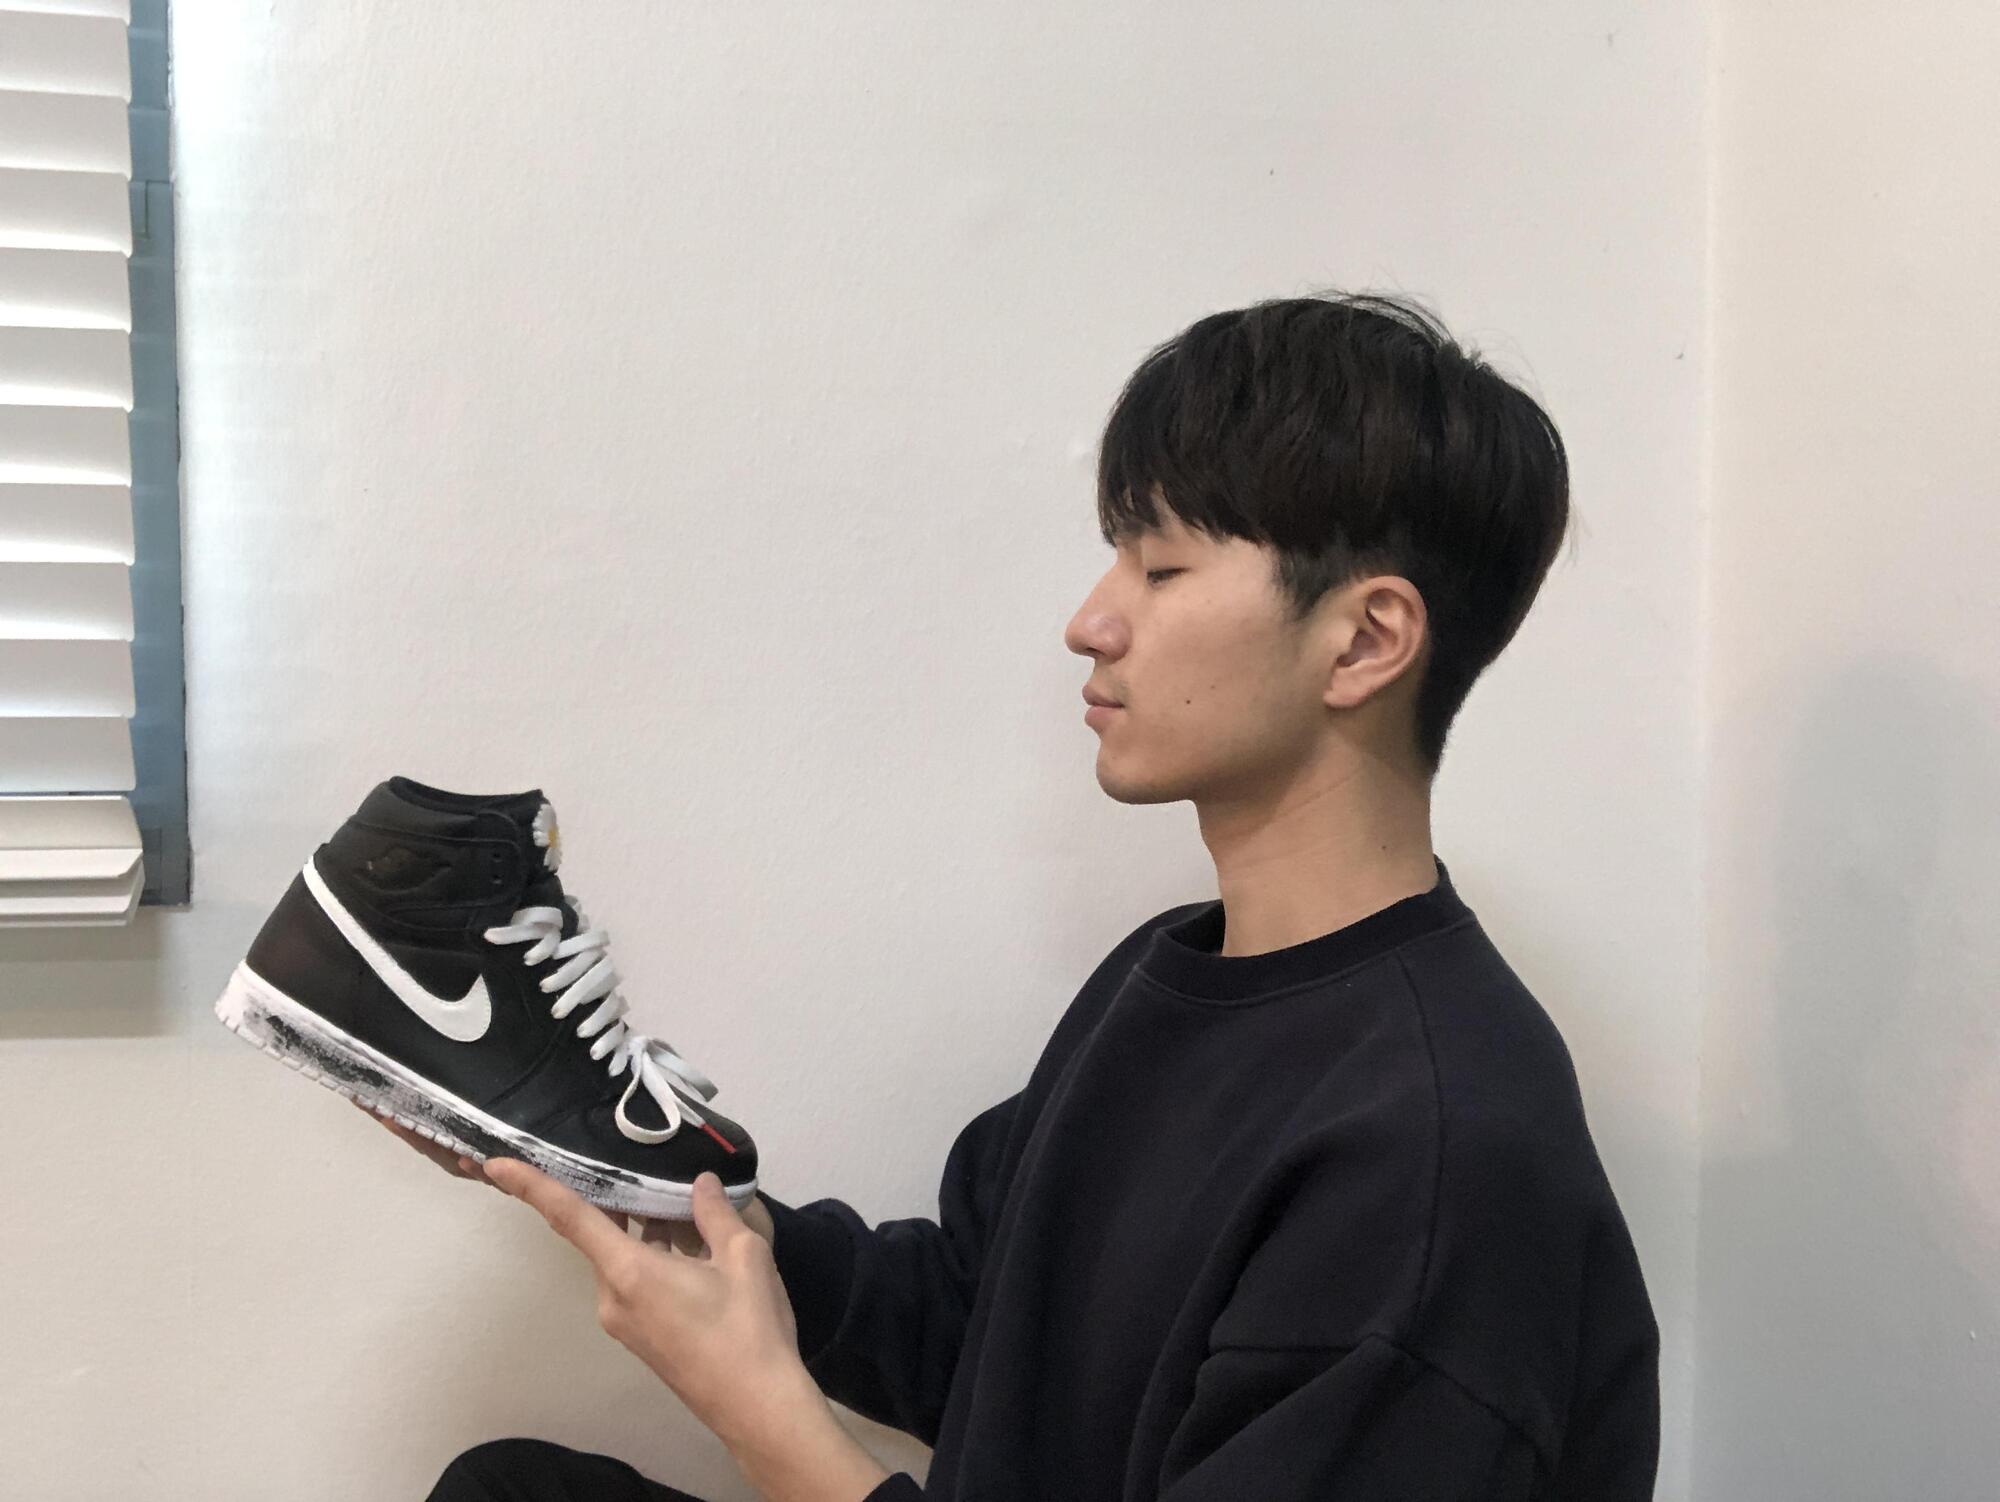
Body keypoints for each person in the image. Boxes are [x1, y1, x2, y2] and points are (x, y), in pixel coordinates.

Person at [399, 291, 1661, 1500]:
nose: (1089, 621)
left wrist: (764, 1419)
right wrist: (623, 1177)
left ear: (1365, 639)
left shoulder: (1436, 1159)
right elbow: (972, 1319)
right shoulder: (1166, 977)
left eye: (1160, 567)